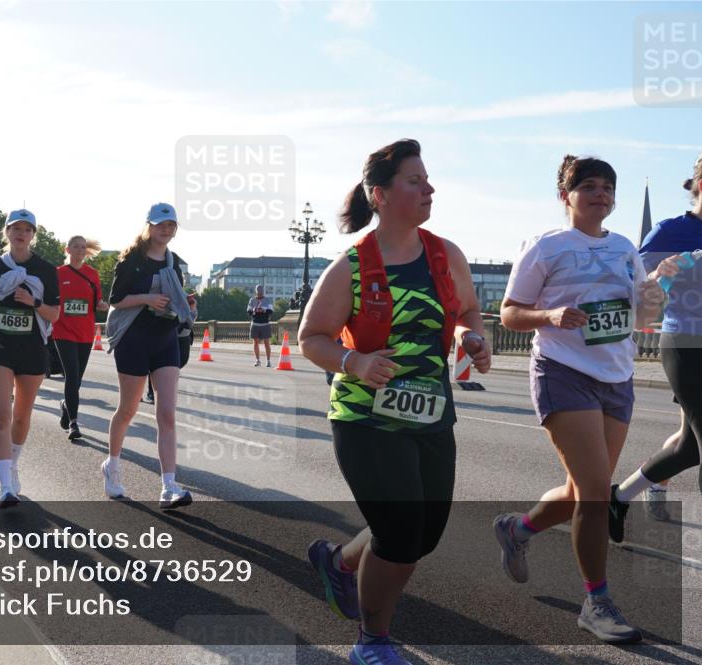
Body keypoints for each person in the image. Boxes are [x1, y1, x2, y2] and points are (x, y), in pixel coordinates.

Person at [298, 139, 490, 665]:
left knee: (424, 534)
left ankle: (340, 564)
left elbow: (470, 312)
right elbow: (311, 337)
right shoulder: (351, 266)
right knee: (401, 535)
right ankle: (371, 641)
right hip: (364, 419)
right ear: (380, 195)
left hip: (430, 414)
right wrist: (353, 363)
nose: (429, 189)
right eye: (415, 181)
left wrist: (472, 339)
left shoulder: (445, 254)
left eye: (428, 180)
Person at [493, 155, 664, 644]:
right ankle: (597, 601)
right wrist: (549, 315)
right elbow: (508, 313)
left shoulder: (626, 248)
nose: (600, 194)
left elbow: (642, 315)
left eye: (607, 187)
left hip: (618, 376)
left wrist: (653, 299)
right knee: (595, 490)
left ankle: (518, 529)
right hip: (563, 373)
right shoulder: (546, 245)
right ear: (565, 195)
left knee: (579, 492)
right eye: (587, 186)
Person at [610, 154, 702, 530]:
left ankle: (616, 500)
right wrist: (658, 277)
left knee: (690, 447)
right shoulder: (670, 231)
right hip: (687, 343)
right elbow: (632, 284)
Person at [104, 202, 197, 510]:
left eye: (171, 224)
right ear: (149, 226)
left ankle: (169, 485)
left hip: (165, 338)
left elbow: (173, 299)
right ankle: (112, 464)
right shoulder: (132, 260)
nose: (166, 229)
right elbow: (116, 299)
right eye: (160, 224)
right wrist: (147, 298)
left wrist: (183, 305)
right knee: (128, 409)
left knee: (167, 413)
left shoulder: (175, 263)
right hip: (134, 338)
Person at [0, 209, 60, 509]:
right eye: (16, 228)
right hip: (0, 345)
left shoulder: (46, 270)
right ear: (7, 232)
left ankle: (12, 465)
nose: (21, 233)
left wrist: (34, 302)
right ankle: (5, 487)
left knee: (22, 417)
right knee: (2, 416)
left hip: (33, 347)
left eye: (27, 229)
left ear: (33, 234)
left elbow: (54, 314)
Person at [54, 236, 109, 441]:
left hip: (85, 332)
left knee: (77, 379)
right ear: (67, 249)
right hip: (63, 331)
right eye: (75, 247)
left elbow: (98, 302)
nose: (79, 250)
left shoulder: (92, 275)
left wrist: (102, 306)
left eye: (83, 247)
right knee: (71, 375)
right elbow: (50, 299)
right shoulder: (58, 273)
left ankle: (65, 406)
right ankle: (73, 423)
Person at [247, 284, 273, 367]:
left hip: (265, 323)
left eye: (261, 292)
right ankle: (258, 360)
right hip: (255, 323)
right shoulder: (252, 300)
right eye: (258, 292)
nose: (260, 294)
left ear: (263, 292)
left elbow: (271, 311)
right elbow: (249, 311)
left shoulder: (267, 300)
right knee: (255, 342)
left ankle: (268, 361)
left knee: (266, 343)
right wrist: (255, 310)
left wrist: (264, 310)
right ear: (256, 292)